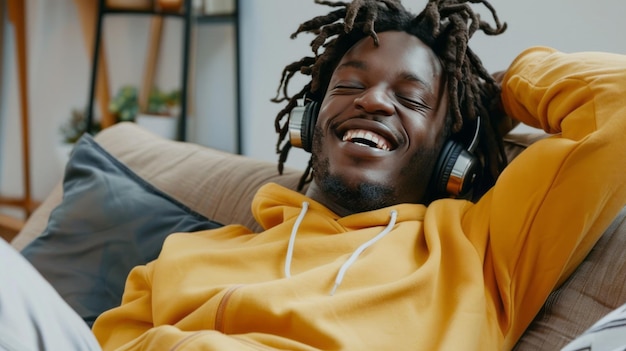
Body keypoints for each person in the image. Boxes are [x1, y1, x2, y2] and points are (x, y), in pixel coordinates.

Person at [2, 0, 625, 350]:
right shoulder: (187, 256)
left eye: (410, 100)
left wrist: (495, 90)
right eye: (349, 85)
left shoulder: (482, 252)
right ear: (307, 121)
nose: (373, 102)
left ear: (451, 152)